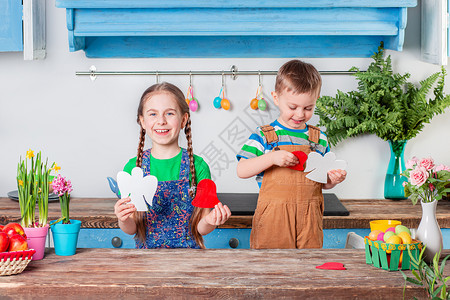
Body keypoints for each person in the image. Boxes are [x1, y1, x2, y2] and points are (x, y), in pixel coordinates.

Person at [236, 60, 347, 249]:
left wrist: (332, 180)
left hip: (309, 220)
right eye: (293, 107)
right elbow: (242, 169)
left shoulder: (319, 139)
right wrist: (271, 158)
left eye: (308, 108)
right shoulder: (264, 135)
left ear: (316, 101)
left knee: (307, 269)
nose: (300, 114)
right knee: (272, 269)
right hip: (274, 220)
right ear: (276, 98)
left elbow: (321, 182)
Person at [114, 82, 231, 249]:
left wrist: (211, 221)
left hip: (189, 262)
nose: (161, 121)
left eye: (169, 113)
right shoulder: (133, 168)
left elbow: (201, 228)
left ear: (183, 119)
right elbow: (132, 228)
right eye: (153, 114)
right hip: (146, 263)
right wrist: (123, 219)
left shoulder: (199, 166)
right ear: (142, 121)